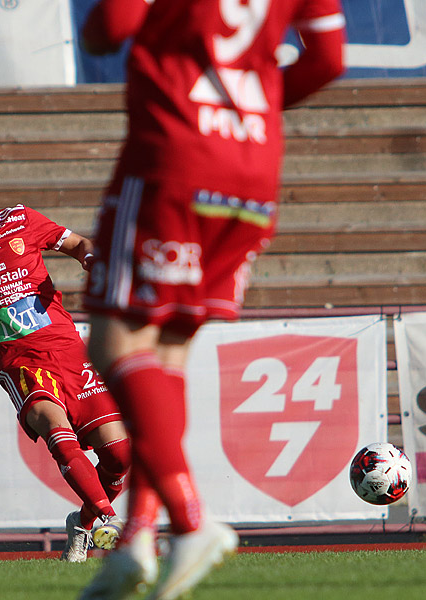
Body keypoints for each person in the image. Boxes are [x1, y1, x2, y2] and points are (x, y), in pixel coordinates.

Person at [78, 0, 346, 598]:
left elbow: (107, 32)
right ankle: (136, 539)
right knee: (166, 354)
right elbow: (328, 58)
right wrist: (256, 106)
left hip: (174, 156)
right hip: (253, 165)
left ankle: (190, 522)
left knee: (115, 344)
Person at [0, 157, 131, 563]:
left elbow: (78, 244)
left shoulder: (21, 220)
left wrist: (94, 266)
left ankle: (84, 522)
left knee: (120, 456)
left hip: (71, 351)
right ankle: (109, 520)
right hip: (19, 361)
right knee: (52, 425)